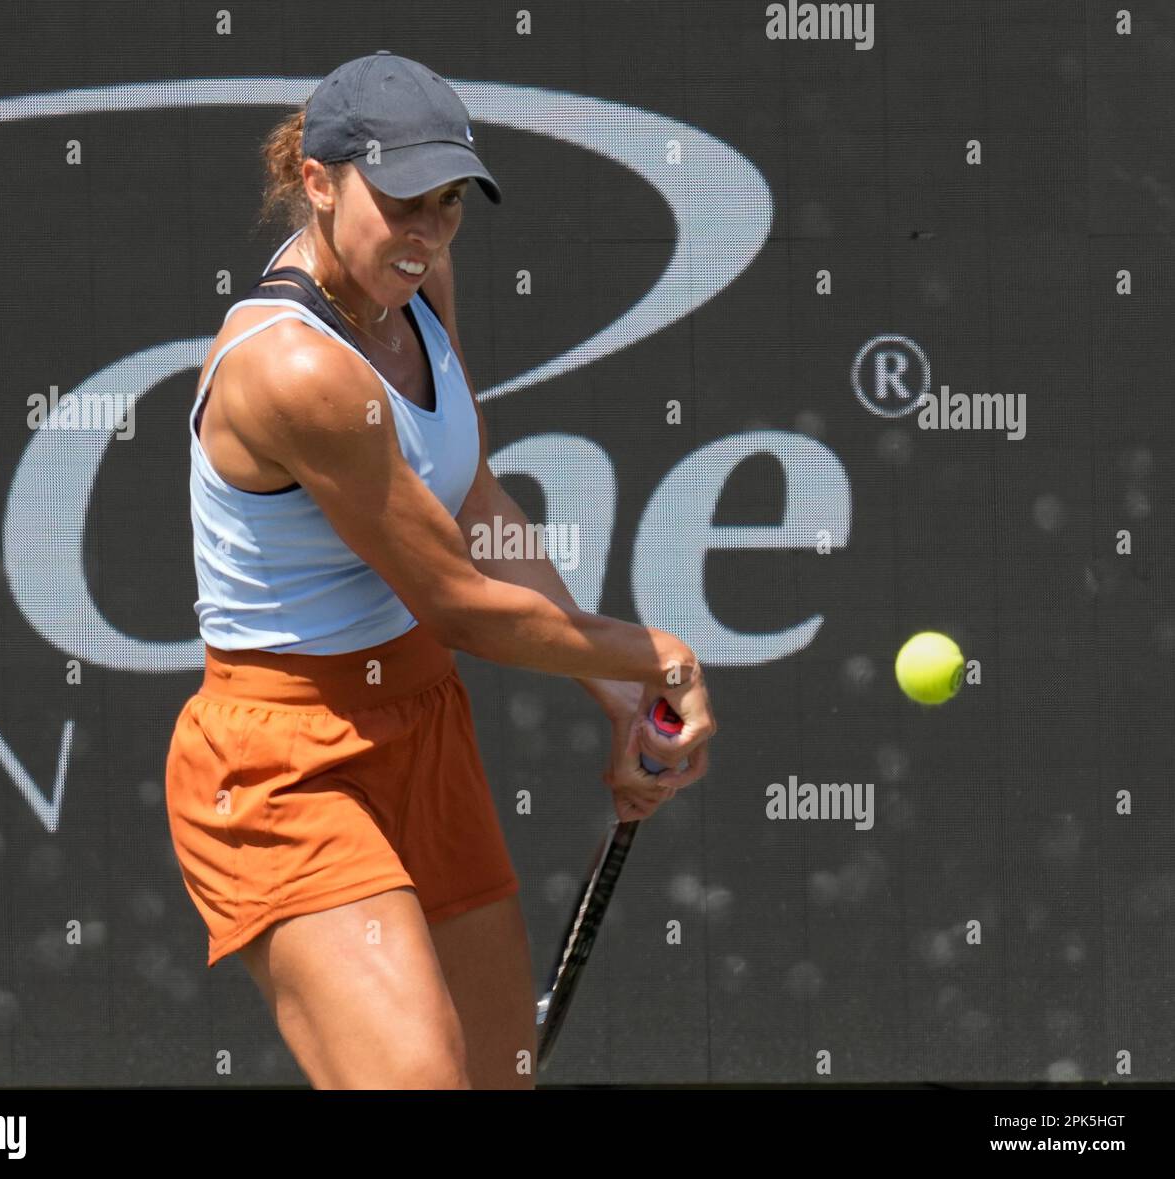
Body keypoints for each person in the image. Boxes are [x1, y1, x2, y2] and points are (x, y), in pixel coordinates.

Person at [164, 50, 716, 1090]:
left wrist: (612, 688)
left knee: (498, 1077)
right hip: (285, 771)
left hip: (424, 731)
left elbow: (474, 503)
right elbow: (459, 603)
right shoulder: (294, 370)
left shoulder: (416, 286)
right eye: (401, 202)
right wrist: (651, 653)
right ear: (320, 182)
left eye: (449, 205)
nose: (425, 234)